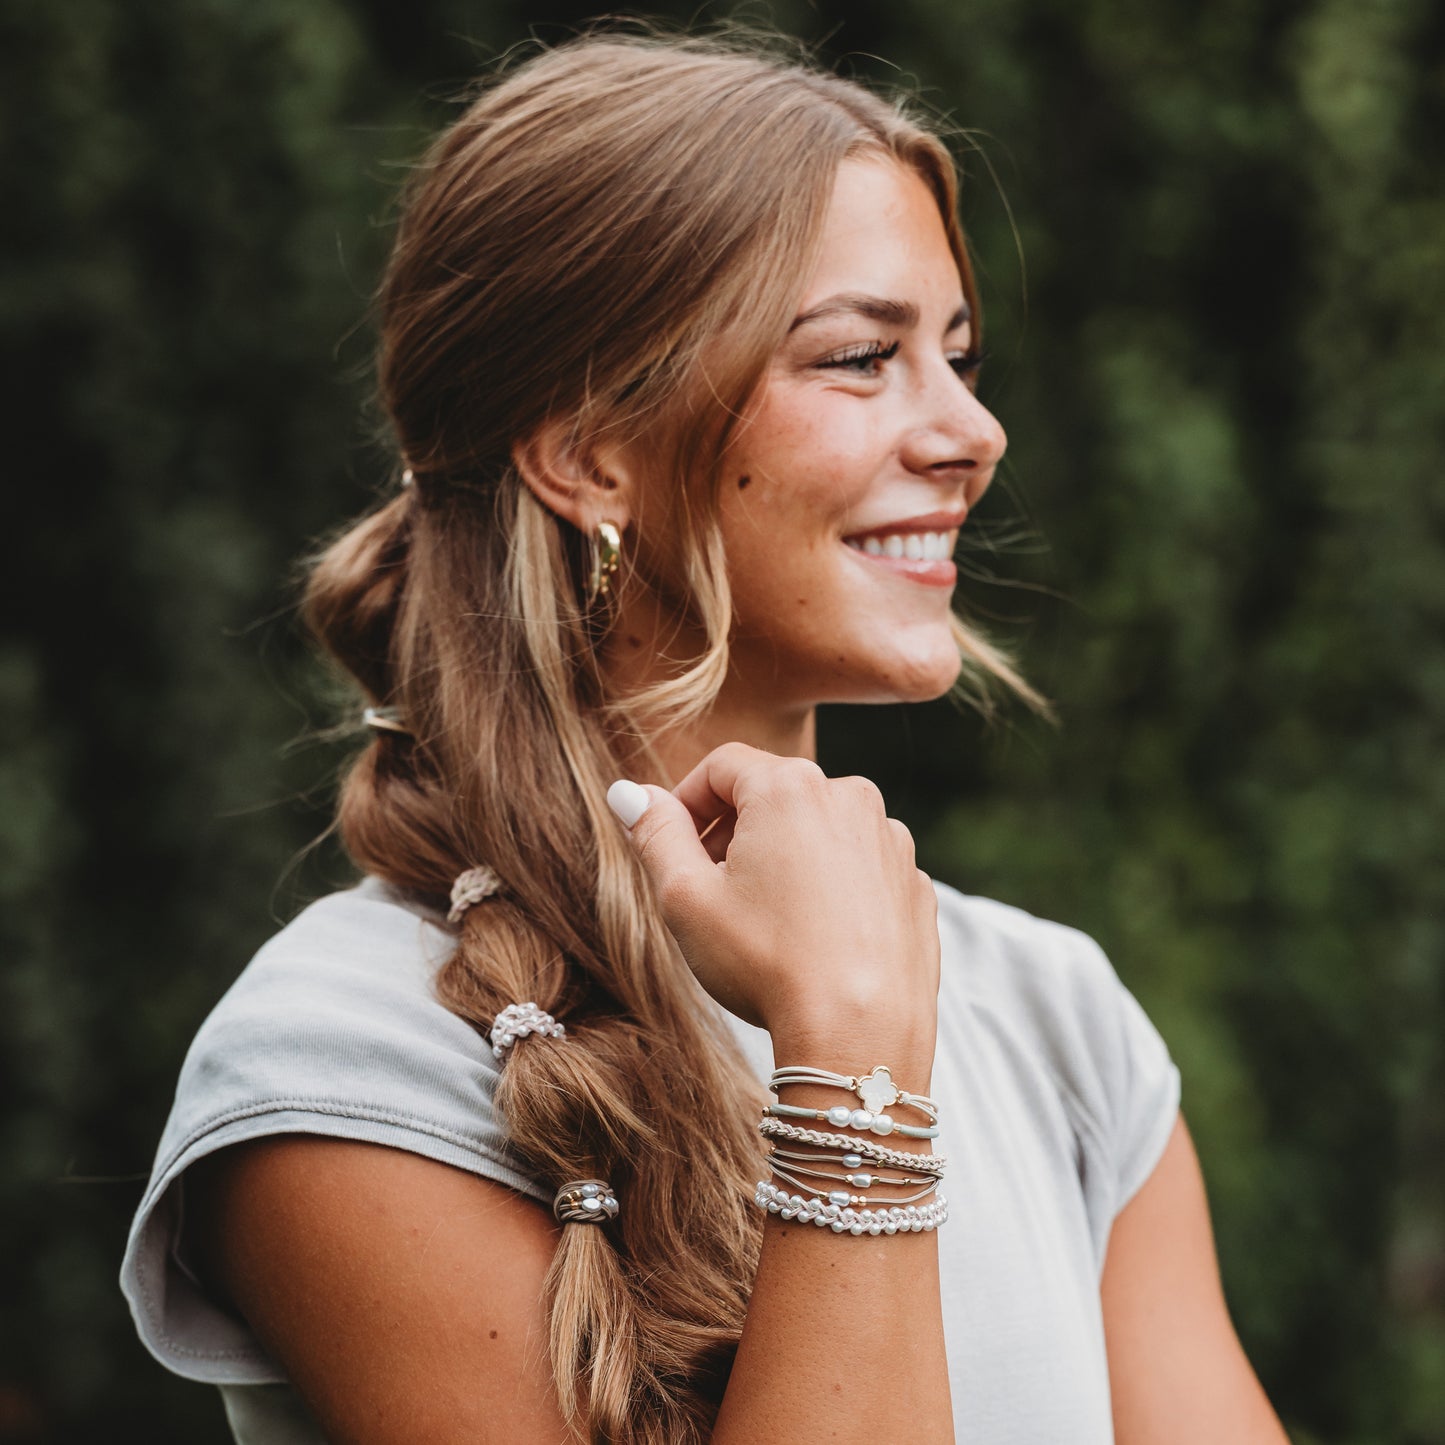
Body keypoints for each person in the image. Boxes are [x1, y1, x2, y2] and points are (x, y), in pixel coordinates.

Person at [120, 29, 1291, 1445]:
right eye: (860, 358)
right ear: (588, 454)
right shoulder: (349, 1065)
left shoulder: (1059, 1019)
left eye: (958, 356)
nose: (974, 431)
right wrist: (851, 1056)